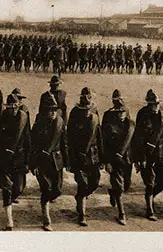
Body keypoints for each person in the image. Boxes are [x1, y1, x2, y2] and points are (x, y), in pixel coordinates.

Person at [0, 94, 31, 231]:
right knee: (6, 188)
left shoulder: (24, 118)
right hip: (4, 159)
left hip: (19, 158)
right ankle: (9, 221)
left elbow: (28, 139)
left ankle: (10, 201)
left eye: (15, 107)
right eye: (10, 107)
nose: (12, 110)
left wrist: (28, 160)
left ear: (18, 106)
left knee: (18, 188)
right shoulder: (2, 118)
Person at [30, 93, 68, 231]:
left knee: (57, 190)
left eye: (55, 109)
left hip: (57, 160)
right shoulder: (39, 125)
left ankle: (46, 201)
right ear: (45, 110)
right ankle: (46, 219)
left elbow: (64, 144)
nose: (53, 112)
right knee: (46, 188)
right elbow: (32, 145)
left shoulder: (60, 123)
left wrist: (67, 162)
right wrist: (33, 164)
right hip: (42, 161)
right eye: (50, 109)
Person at [67, 91, 104, 227]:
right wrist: (70, 159)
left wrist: (102, 157)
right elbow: (69, 137)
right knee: (82, 184)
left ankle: (80, 197)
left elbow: (99, 134)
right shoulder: (74, 113)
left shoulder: (95, 113)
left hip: (93, 155)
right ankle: (81, 214)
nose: (87, 112)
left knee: (94, 182)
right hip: (78, 155)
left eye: (88, 109)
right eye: (84, 109)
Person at [131, 89, 163, 221]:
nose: (155, 106)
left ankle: (151, 197)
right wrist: (139, 159)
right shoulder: (142, 114)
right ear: (148, 104)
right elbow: (138, 137)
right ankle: (149, 209)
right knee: (149, 183)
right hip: (147, 155)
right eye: (153, 104)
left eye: (157, 104)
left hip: (161, 154)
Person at [102, 89, 135, 225]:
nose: (121, 114)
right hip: (114, 159)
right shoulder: (109, 121)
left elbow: (134, 141)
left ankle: (113, 192)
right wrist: (107, 161)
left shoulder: (130, 124)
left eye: (123, 111)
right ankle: (122, 214)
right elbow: (104, 142)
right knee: (119, 186)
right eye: (119, 111)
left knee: (126, 185)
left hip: (127, 159)